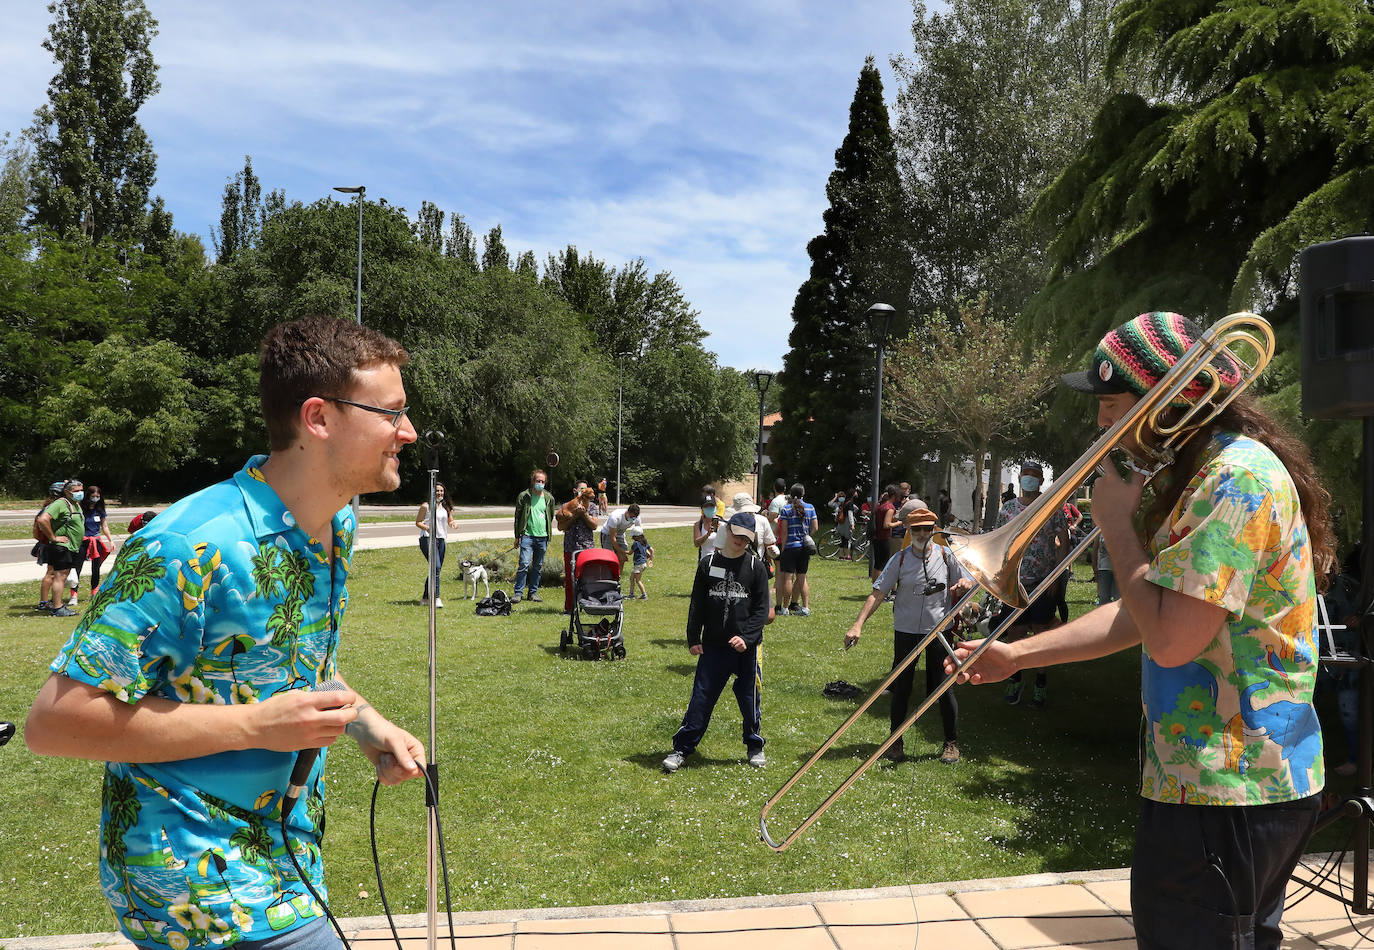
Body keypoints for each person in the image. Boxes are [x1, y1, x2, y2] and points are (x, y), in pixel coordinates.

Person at [25, 315, 427, 950]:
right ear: (318, 418)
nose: (407, 432)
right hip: (196, 891)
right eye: (391, 413)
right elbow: (54, 721)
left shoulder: (332, 527)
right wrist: (257, 727)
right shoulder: (187, 544)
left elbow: (288, 662)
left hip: (287, 861)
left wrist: (365, 723)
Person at [949, 310, 1334, 950]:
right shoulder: (1205, 473)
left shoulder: (1233, 481)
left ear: (1169, 400)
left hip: (1226, 789)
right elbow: (1147, 612)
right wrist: (1017, 654)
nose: (1101, 421)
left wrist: (1119, 526)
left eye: (1113, 401)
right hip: (1217, 787)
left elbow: (1170, 640)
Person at [846, 507, 973, 764]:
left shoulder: (948, 556)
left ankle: (951, 743)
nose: (923, 534)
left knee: (942, 688)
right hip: (906, 631)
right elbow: (878, 593)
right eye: (917, 529)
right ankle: (895, 743)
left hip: (940, 631)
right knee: (901, 688)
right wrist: (857, 625)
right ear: (909, 530)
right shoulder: (900, 559)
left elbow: (969, 583)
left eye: (928, 529)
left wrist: (964, 585)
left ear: (934, 531)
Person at [662, 512, 770, 772]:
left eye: (747, 539)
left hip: (747, 650)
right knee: (701, 698)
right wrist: (693, 638)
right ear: (728, 531)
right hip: (713, 646)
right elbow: (697, 603)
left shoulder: (756, 567)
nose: (741, 542)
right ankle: (682, 749)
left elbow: (761, 610)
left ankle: (755, 746)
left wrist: (746, 638)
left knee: (749, 699)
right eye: (737, 536)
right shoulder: (708, 564)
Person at [995, 461, 1068, 708]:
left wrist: (1056, 576)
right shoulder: (1007, 508)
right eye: (1025, 475)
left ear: (1041, 481)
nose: (1029, 479)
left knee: (1040, 631)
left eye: (1034, 476)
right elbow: (1000, 541)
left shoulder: (1052, 508)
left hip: (1042, 582)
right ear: (1020, 478)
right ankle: (1015, 679)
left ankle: (1040, 683)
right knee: (1015, 631)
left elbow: (1064, 541)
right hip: (1015, 582)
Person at [714, 491, 781, 622]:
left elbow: (770, 544)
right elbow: (718, 552)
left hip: (757, 572)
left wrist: (773, 552)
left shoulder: (762, 522)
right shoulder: (726, 527)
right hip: (733, 573)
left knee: (768, 615)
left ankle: (752, 635)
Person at [34, 479, 84, 618]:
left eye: (81, 490)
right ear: (67, 492)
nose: (80, 493)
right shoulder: (61, 503)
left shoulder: (74, 504)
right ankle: (57, 608)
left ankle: (58, 604)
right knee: (59, 576)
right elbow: (42, 519)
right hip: (62, 547)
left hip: (70, 547)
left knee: (62, 576)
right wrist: (53, 537)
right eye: (76, 491)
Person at [557, 480, 600, 613]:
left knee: (587, 578)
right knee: (570, 579)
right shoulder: (567, 506)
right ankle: (569, 608)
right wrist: (574, 516)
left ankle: (588, 606)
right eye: (581, 489)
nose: (584, 492)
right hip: (570, 547)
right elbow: (560, 527)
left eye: (585, 489)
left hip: (586, 546)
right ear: (575, 491)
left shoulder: (592, 507)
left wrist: (584, 515)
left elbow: (594, 525)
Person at [511, 468, 554, 604]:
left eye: (542, 481)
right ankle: (518, 593)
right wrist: (517, 536)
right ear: (533, 481)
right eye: (538, 481)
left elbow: (550, 516)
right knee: (523, 564)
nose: (540, 483)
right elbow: (518, 517)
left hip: (542, 537)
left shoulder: (549, 498)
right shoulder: (524, 496)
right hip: (527, 536)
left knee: (538, 566)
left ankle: (533, 592)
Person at [775, 483, 818, 616]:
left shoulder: (786, 509)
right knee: (802, 578)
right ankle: (805, 608)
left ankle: (785, 608)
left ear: (791, 494)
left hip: (790, 547)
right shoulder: (810, 508)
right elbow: (815, 528)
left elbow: (784, 532)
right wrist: (807, 537)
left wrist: (783, 549)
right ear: (803, 494)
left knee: (788, 578)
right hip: (804, 548)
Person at [415, 481, 457, 607]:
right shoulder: (426, 506)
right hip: (427, 539)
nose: (439, 493)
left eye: (441, 491)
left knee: (435, 569)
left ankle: (425, 598)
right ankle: (436, 597)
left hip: (441, 539)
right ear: (432, 492)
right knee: (436, 567)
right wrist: (427, 528)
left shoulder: (446, 507)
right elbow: (418, 522)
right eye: (437, 491)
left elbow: (450, 520)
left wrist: (453, 524)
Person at [79, 483, 114, 598]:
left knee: (96, 567)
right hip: (83, 541)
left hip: (96, 541)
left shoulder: (100, 510)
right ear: (88, 496)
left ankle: (94, 590)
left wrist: (110, 540)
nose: (96, 498)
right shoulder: (80, 509)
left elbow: (104, 526)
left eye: (98, 496)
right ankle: (74, 594)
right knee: (77, 566)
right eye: (93, 496)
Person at [599, 503, 641, 576]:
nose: (633, 519)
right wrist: (622, 552)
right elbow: (613, 538)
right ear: (627, 512)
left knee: (622, 559)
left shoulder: (636, 518)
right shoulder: (615, 517)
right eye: (631, 517)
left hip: (620, 534)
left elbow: (639, 534)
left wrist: (645, 547)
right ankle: (607, 576)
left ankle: (617, 577)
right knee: (609, 557)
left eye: (634, 517)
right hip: (608, 534)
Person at [870, 485, 898, 581]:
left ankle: (874, 587)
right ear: (894, 495)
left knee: (877, 564)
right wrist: (899, 523)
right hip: (884, 538)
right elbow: (886, 525)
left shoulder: (879, 504)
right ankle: (879, 589)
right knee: (883, 565)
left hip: (876, 537)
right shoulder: (889, 507)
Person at [693, 492, 721, 560]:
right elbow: (696, 544)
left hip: (719, 561)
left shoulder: (723, 523)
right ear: (702, 509)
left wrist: (721, 532)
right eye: (706, 506)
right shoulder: (698, 524)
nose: (709, 508)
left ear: (715, 507)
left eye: (711, 506)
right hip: (704, 561)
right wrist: (707, 535)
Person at [628, 526, 653, 599]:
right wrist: (651, 559)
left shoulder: (635, 543)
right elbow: (652, 550)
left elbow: (630, 553)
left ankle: (644, 595)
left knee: (638, 580)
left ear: (635, 536)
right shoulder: (644, 542)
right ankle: (631, 594)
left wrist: (621, 551)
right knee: (631, 578)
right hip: (643, 564)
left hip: (639, 564)